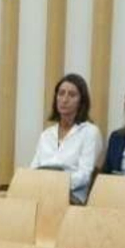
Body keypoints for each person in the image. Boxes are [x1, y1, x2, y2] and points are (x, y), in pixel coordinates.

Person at [29, 73, 102, 204]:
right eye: (61, 93)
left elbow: (85, 175)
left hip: (71, 196)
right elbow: (34, 168)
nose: (64, 99)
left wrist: (57, 185)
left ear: (82, 101)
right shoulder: (46, 135)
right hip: (40, 192)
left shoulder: (90, 132)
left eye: (72, 95)